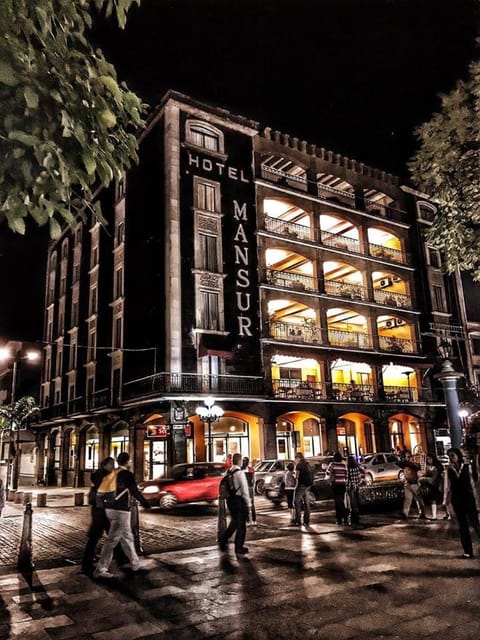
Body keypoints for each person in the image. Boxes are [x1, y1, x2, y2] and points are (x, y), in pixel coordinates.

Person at [93, 451, 152, 579]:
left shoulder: (113, 473)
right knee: (113, 539)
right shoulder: (127, 474)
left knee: (126, 536)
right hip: (121, 510)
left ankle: (135, 562)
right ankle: (101, 569)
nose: (130, 463)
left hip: (109, 508)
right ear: (127, 461)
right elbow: (134, 491)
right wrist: (145, 503)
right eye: (129, 461)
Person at [82, 456, 127, 576]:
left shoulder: (103, 476)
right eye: (111, 464)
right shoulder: (102, 477)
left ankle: (121, 558)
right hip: (101, 511)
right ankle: (87, 563)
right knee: (98, 536)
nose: (113, 467)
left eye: (114, 464)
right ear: (104, 465)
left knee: (110, 535)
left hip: (102, 510)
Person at [445, 447, 480, 559]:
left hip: (469, 499)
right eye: (449, 456)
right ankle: (468, 551)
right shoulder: (448, 470)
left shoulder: (467, 467)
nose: (451, 458)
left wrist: (477, 502)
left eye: (453, 455)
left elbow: (473, 485)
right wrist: (447, 502)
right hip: (457, 500)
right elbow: (448, 487)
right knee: (462, 526)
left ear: (458, 455)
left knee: (475, 524)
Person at [218, 452, 251, 555]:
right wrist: (248, 504)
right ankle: (239, 547)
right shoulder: (240, 473)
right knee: (241, 525)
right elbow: (245, 490)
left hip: (230, 500)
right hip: (239, 500)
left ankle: (223, 539)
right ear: (240, 461)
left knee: (234, 522)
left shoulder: (229, 471)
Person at [399, 453, 426, 519]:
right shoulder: (405, 464)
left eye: (408, 456)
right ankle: (405, 513)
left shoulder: (414, 464)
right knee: (408, 499)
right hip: (407, 483)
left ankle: (422, 512)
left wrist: (409, 462)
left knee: (419, 499)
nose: (407, 458)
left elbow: (416, 467)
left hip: (414, 483)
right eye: (405, 457)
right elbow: (400, 464)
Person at [419, 453, 444, 520]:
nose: (428, 460)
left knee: (436, 500)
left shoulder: (436, 467)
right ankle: (434, 515)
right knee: (432, 500)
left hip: (436, 484)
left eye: (429, 459)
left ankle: (436, 515)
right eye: (427, 459)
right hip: (430, 485)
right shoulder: (427, 467)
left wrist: (425, 479)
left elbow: (434, 478)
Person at [293, 452, 313, 526]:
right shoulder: (307, 464)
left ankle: (298, 519)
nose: (295, 460)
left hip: (301, 485)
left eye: (295, 458)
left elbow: (297, 476)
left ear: (298, 458)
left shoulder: (299, 465)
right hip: (308, 485)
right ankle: (306, 520)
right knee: (307, 503)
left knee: (296, 501)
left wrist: (294, 476)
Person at [327, 452, 348, 525]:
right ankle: (345, 518)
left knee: (337, 502)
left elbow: (328, 473)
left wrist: (330, 479)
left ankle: (340, 519)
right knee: (341, 501)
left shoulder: (332, 465)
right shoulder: (343, 465)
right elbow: (346, 476)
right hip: (342, 485)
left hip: (335, 485)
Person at [346, 455, 364, 526]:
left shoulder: (348, 468)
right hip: (356, 486)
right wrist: (357, 484)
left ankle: (353, 517)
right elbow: (360, 477)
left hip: (351, 487)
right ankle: (357, 515)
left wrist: (348, 485)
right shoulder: (357, 468)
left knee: (351, 503)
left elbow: (347, 479)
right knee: (356, 501)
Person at [241, 456, 257, 526]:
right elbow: (254, 480)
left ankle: (248, 521)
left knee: (245, 504)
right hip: (250, 487)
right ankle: (253, 520)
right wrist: (253, 487)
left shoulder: (241, 470)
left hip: (245, 488)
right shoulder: (251, 469)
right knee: (251, 504)